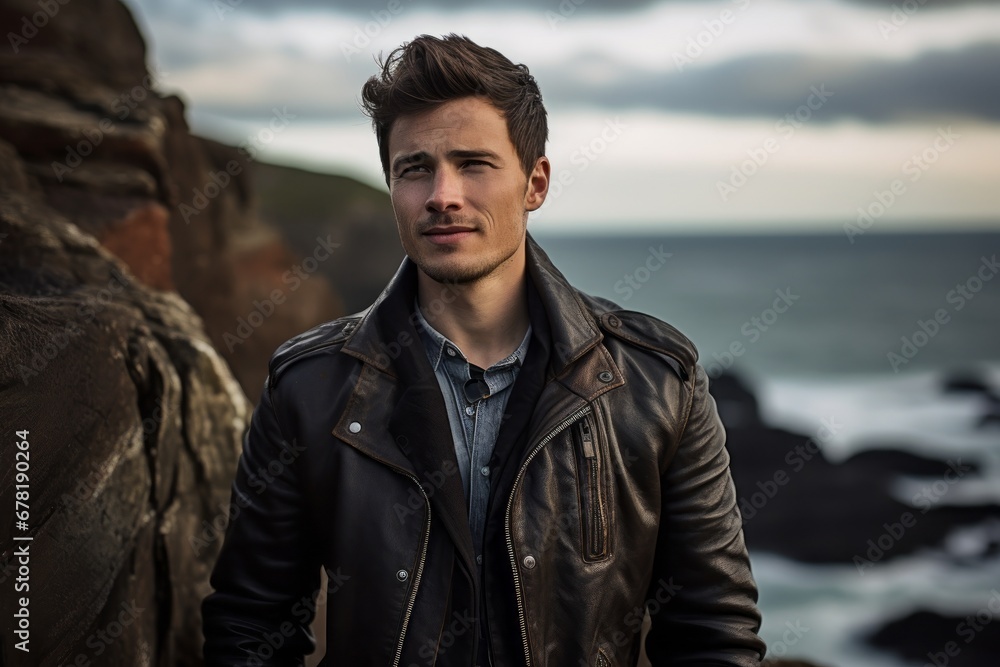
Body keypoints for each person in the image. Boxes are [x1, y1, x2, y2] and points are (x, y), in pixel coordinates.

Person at [202, 33, 765, 667]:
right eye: (415, 168)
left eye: (474, 163)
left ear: (536, 182)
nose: (442, 194)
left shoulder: (658, 379)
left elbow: (713, 631)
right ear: (392, 185)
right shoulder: (308, 386)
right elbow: (251, 626)